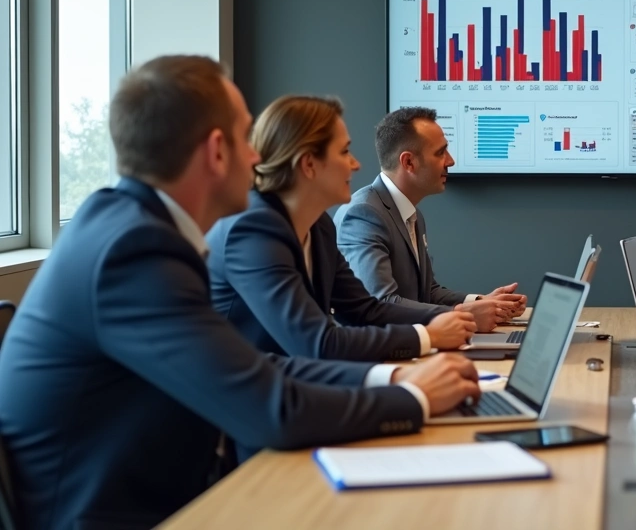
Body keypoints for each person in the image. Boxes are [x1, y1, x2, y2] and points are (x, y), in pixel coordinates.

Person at [0, 56, 480, 530]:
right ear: (216, 151)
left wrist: (394, 380)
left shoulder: (134, 228)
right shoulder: (135, 250)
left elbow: (256, 367)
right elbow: (273, 409)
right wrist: (414, 397)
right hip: (125, 513)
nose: (258, 157)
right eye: (245, 137)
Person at [208, 95, 478, 363]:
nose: (355, 164)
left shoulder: (319, 226)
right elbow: (319, 343)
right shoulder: (253, 231)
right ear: (309, 163)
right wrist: (428, 336)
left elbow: (365, 311)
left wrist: (455, 317)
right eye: (344, 151)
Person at [335, 107, 526, 323]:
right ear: (408, 162)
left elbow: (427, 292)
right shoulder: (364, 215)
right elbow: (381, 301)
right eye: (440, 152)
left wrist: (483, 302)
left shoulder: (411, 214)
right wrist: (463, 315)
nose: (450, 161)